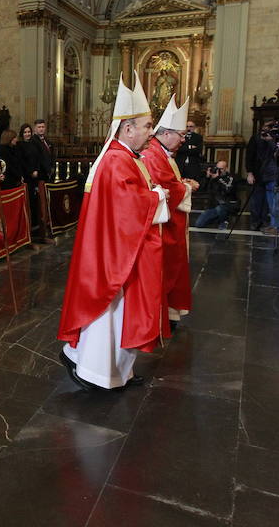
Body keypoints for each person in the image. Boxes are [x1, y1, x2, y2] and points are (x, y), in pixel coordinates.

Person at [57, 73, 169, 390]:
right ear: (128, 128)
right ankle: (94, 371)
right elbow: (127, 206)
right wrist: (158, 197)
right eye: (147, 125)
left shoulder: (128, 158)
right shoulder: (117, 160)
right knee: (110, 310)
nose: (152, 131)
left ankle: (116, 372)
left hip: (119, 248)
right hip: (112, 254)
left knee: (119, 313)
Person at [142, 96, 200, 328]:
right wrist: (185, 187)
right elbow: (163, 185)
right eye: (181, 135)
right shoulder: (153, 153)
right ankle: (161, 315)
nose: (184, 140)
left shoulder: (161, 152)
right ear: (166, 134)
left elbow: (168, 181)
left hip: (170, 221)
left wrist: (182, 183)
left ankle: (167, 313)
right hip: (163, 226)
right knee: (165, 271)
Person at [245, 122, 273, 231]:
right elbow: (249, 156)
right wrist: (250, 172)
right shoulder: (256, 138)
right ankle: (255, 221)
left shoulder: (273, 139)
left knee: (268, 200)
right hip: (257, 173)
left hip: (270, 174)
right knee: (256, 199)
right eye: (264, 128)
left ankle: (265, 221)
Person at [195, 161, 238, 229]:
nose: (218, 171)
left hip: (227, 205)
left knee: (220, 209)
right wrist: (207, 177)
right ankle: (218, 219)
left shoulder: (231, 178)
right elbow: (201, 190)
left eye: (221, 169)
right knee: (199, 224)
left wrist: (218, 178)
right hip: (213, 206)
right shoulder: (213, 178)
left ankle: (224, 220)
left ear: (226, 169)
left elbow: (228, 190)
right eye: (217, 168)